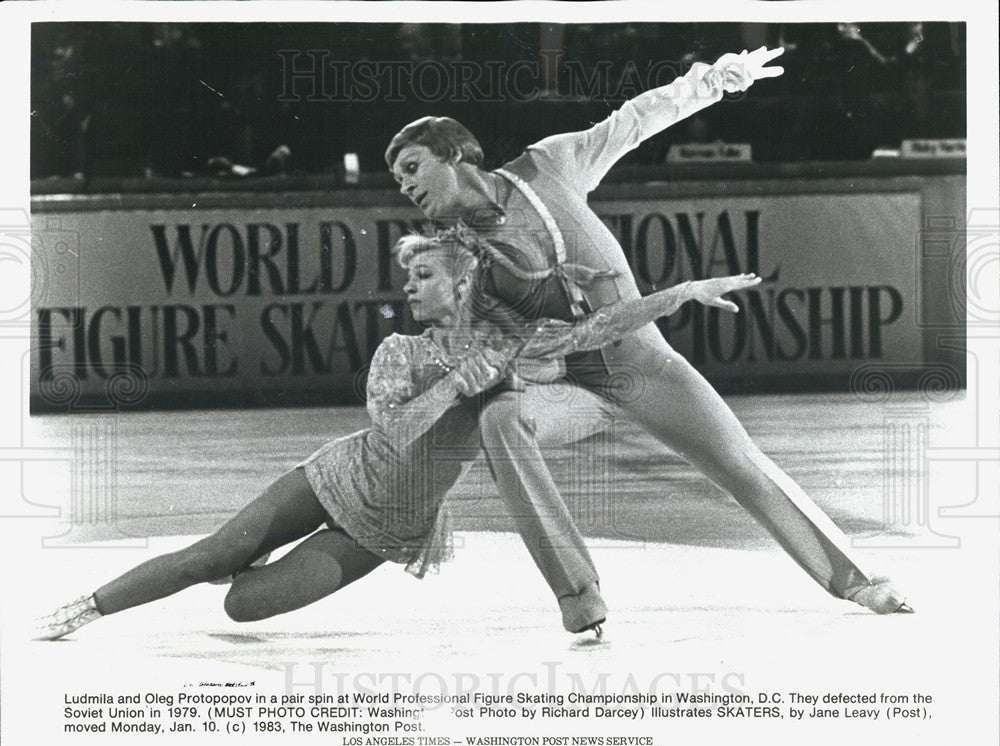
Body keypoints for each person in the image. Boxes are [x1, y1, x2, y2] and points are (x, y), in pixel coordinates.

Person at [34, 228, 761, 641]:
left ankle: (246, 563)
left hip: (386, 529)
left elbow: (598, 326)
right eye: (407, 276)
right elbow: (394, 426)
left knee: (241, 604)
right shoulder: (400, 351)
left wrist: (683, 294)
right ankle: (84, 608)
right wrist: (455, 381)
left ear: (462, 282)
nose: (408, 286)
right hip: (335, 477)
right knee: (213, 553)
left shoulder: (513, 343)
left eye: (422, 275)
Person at [386, 45, 912, 615]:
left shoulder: (547, 167)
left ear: (457, 153)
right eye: (398, 179)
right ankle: (579, 595)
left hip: (641, 365)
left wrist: (711, 83)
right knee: (501, 418)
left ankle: (857, 581)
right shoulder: (455, 250)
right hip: (565, 384)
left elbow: (633, 121)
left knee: (742, 463)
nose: (406, 187)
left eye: (412, 168)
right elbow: (474, 334)